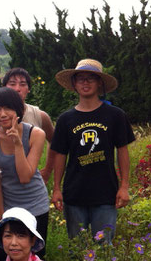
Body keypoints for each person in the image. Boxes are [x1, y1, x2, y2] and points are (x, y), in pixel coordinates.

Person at [51, 59, 135, 243]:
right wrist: (57, 188)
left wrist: (124, 186)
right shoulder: (65, 119)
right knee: (77, 245)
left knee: (104, 247)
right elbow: (60, 155)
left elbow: (122, 151)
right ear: (74, 84)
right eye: (80, 78)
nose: (85, 82)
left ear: (100, 83)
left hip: (106, 194)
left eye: (91, 78)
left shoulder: (115, 115)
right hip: (74, 194)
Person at [0, 87, 50, 257]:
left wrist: (18, 144)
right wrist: (0, 215)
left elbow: (25, 177)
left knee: (35, 256)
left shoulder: (36, 134)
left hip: (36, 204)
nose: (2, 114)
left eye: (8, 108)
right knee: (5, 256)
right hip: (9, 204)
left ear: (18, 110)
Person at [0, 68, 56, 182]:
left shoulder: (39, 116)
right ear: (4, 87)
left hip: (31, 184)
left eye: (22, 84)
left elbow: (55, 142)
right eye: (12, 84)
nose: (17, 89)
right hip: (3, 185)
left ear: (29, 89)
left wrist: (48, 170)